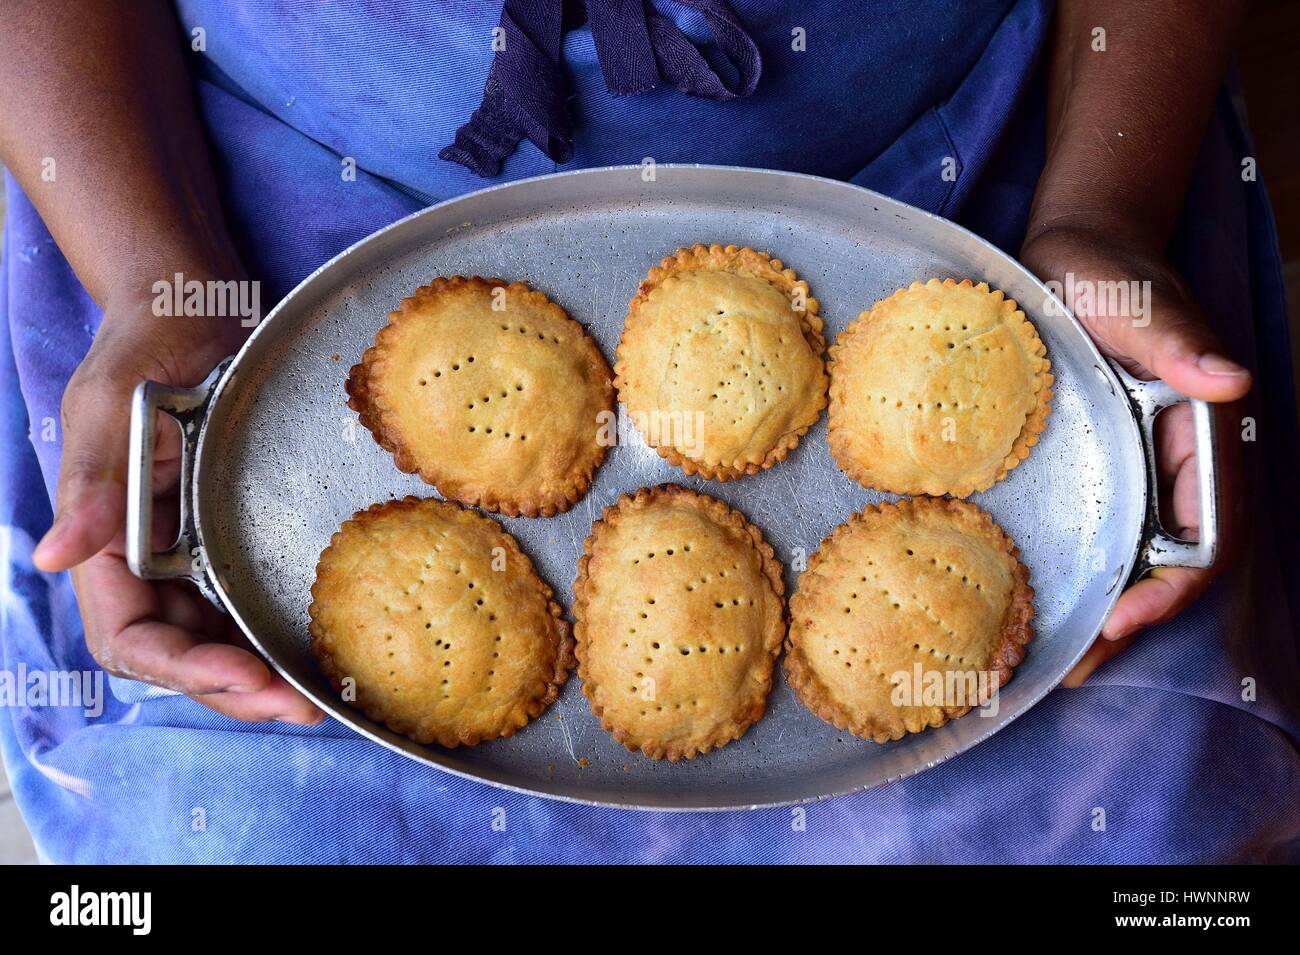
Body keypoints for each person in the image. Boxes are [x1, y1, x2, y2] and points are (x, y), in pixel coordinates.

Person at [1, 0, 1296, 863]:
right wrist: (149, 282)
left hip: (967, 201)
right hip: (256, 237)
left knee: (1155, 809)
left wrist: (1108, 221)